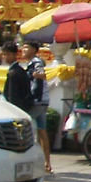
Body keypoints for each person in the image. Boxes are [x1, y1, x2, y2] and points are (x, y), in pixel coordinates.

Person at [21, 41, 52, 173]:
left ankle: (32, 160)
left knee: (25, 128)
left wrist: (35, 75)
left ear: (34, 50)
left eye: (26, 47)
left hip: (37, 101)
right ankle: (47, 163)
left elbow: (42, 75)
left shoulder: (36, 62)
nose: (23, 50)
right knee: (42, 132)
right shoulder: (31, 63)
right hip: (42, 101)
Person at [1, 40, 33, 113]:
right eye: (4, 54)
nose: (5, 57)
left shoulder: (14, 72)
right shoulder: (18, 69)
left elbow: (13, 95)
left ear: (15, 55)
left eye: (8, 54)